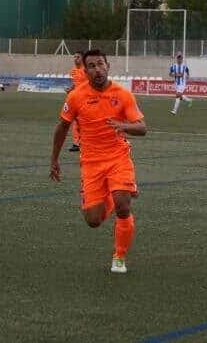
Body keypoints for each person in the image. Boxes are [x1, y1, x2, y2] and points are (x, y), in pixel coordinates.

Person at [50, 49, 147, 274]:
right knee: (93, 220)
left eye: (100, 64)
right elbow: (62, 127)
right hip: (91, 163)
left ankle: (119, 257)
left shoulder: (123, 95)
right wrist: (54, 159)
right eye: (91, 66)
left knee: (124, 207)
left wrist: (125, 127)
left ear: (108, 66)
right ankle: (117, 195)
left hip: (118, 158)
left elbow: (142, 127)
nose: (97, 70)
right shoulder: (75, 96)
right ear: (86, 71)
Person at [67, 51, 89, 152]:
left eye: (78, 57)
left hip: (87, 99)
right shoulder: (73, 71)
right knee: (76, 121)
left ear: (82, 59)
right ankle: (77, 143)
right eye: (74, 57)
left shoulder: (87, 70)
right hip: (76, 99)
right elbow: (76, 83)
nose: (75, 59)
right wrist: (70, 89)